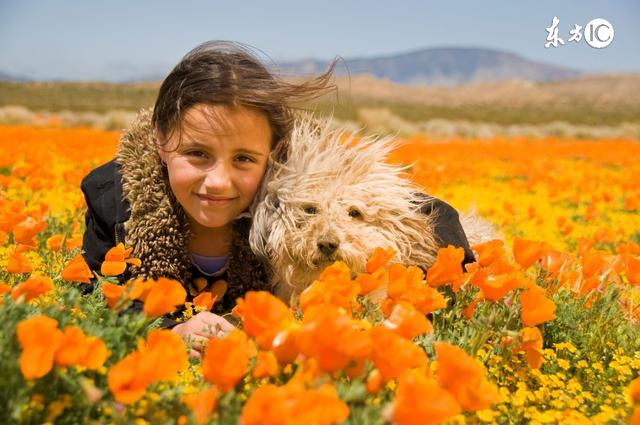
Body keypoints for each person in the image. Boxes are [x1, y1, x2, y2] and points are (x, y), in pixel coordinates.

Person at [80, 40, 474, 358]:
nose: (218, 181)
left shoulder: (295, 182)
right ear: (161, 142)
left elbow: (429, 213)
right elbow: (96, 298)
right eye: (197, 154)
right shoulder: (115, 200)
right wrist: (167, 331)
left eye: (244, 159)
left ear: (275, 154)